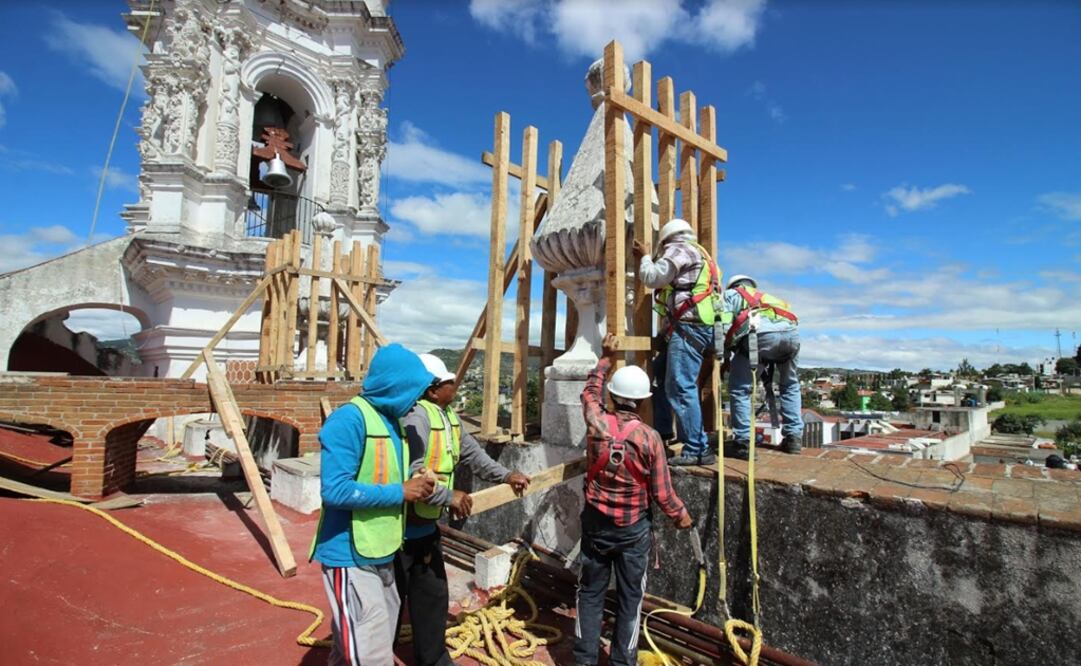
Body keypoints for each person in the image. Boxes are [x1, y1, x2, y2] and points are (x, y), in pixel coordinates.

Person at [396, 353, 532, 666]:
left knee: (431, 596)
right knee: (393, 600)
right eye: (448, 382)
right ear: (431, 390)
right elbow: (412, 473)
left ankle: (432, 658)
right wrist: (449, 497)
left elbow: (474, 457)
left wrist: (506, 474)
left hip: (425, 526)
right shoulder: (417, 417)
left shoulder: (448, 418)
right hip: (402, 528)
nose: (454, 386)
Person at [311, 343, 437, 666]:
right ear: (396, 388)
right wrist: (402, 492)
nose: (417, 401)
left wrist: (417, 479)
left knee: (353, 649)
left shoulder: (393, 424)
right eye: (413, 391)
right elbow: (335, 491)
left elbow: (387, 475)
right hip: (350, 557)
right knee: (370, 656)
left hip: (381, 551)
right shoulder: (348, 421)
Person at [574, 333, 694, 666]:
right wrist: (681, 515)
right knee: (630, 601)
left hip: (596, 527)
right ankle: (621, 661)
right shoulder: (650, 438)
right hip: (631, 533)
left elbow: (589, 393)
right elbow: (662, 492)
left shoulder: (597, 422)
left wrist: (605, 358)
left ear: (613, 396)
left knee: (590, 595)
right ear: (642, 402)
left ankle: (583, 660)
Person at [634, 218, 722, 466]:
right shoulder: (704, 256)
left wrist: (644, 257)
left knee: (681, 386)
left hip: (689, 329)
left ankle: (697, 449)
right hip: (700, 329)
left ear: (666, 240)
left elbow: (652, 278)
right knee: (661, 372)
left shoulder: (679, 248)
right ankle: (664, 430)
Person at [720, 275, 803, 459]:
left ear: (733, 286)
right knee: (789, 385)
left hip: (760, 337)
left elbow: (723, 326)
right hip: (791, 336)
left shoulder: (731, 295)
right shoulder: (769, 297)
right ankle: (793, 438)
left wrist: (724, 356)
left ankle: (742, 443)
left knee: (741, 389)